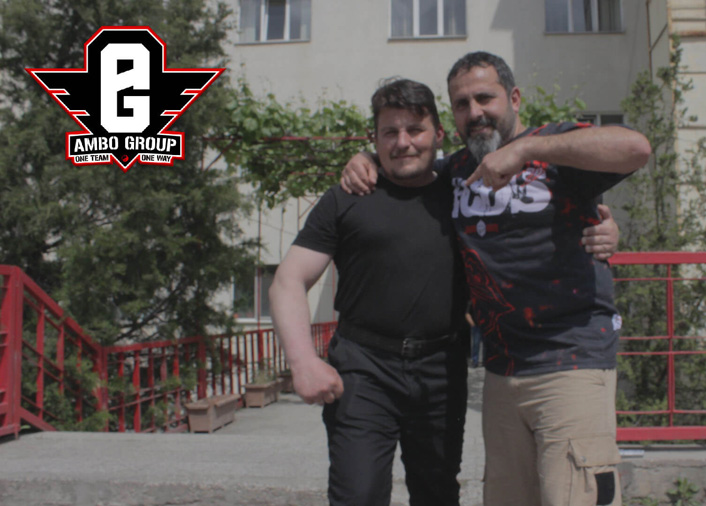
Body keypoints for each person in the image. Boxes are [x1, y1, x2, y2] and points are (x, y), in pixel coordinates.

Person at [341, 52, 651, 506]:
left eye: (485, 98)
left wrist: (526, 149)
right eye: (461, 104)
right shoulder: (455, 171)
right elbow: (406, 163)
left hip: (572, 361)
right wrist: (363, 157)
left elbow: (636, 148)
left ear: (514, 98)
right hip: (502, 371)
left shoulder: (556, 147)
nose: (475, 112)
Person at [269, 78, 470, 506]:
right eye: (389, 132)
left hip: (441, 370)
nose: (403, 142)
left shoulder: (464, 192)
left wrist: (598, 224)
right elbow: (288, 280)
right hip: (363, 370)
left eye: (414, 129)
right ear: (374, 138)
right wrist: (302, 362)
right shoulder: (347, 197)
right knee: (357, 496)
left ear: (439, 133)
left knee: (437, 496)